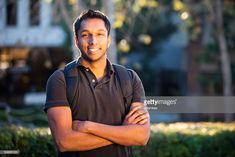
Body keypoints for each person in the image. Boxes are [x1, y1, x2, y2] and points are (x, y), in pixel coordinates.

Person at [44, 9, 150, 157]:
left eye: (100, 34)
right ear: (76, 40)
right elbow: (64, 142)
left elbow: (141, 136)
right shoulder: (60, 80)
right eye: (85, 35)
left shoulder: (129, 78)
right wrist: (123, 132)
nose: (93, 41)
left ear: (108, 39)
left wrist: (88, 126)